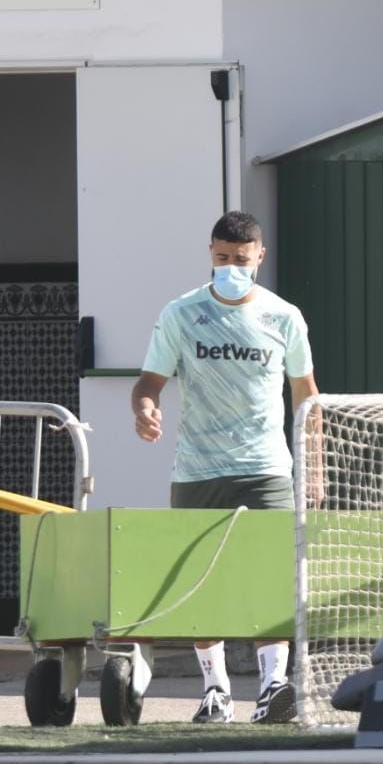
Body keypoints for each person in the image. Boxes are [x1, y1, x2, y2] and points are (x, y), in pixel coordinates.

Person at [131, 210, 319, 724]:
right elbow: (149, 381)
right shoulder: (181, 313)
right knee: (200, 580)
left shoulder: (284, 316)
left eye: (240, 259)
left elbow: (307, 396)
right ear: (209, 256)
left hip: (266, 468)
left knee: (269, 577)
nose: (231, 267)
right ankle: (215, 690)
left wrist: (315, 465)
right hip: (197, 468)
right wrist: (145, 409)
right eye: (221, 259)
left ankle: (273, 686)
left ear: (260, 256)